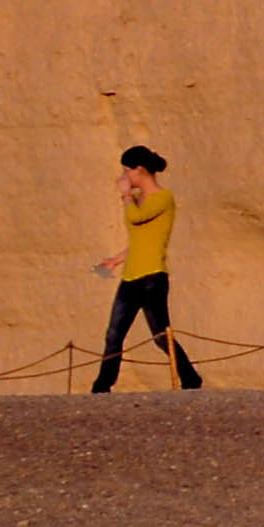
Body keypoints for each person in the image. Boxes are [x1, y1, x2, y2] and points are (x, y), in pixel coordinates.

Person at [86, 144, 207, 392]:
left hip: (152, 277)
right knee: (114, 333)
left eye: (127, 171)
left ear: (139, 170)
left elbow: (135, 219)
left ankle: (190, 378)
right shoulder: (140, 201)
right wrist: (116, 259)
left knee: (161, 336)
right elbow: (142, 240)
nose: (125, 177)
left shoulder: (163, 198)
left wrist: (126, 195)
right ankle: (102, 385)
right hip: (131, 276)